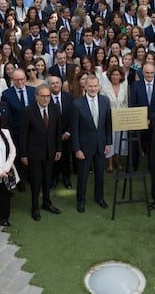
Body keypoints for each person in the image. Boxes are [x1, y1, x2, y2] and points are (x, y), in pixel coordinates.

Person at [20, 84, 62, 221]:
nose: (45, 99)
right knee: (36, 181)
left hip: (50, 152)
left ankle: (46, 203)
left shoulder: (55, 108)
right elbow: (23, 135)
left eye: (48, 96)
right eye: (42, 96)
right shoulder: (28, 111)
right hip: (34, 153)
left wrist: (59, 149)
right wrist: (23, 154)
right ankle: (35, 207)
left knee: (47, 179)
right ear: (36, 96)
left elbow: (57, 131)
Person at [72, 75, 112, 213]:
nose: (93, 88)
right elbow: (74, 128)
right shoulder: (77, 104)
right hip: (84, 147)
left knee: (100, 174)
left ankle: (99, 198)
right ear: (85, 87)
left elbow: (108, 124)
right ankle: (80, 201)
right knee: (83, 176)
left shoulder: (105, 101)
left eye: (95, 86)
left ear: (99, 86)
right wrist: (77, 148)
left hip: (101, 145)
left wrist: (108, 142)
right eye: (90, 86)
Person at [100, 66, 128, 173]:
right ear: (109, 76)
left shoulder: (125, 88)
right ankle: (110, 163)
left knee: (119, 140)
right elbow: (103, 104)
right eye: (113, 75)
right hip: (109, 118)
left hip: (121, 118)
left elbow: (126, 103)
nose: (115, 77)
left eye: (117, 75)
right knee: (110, 140)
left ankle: (118, 162)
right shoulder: (104, 88)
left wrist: (124, 114)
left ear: (121, 76)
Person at [49, 75, 74, 190]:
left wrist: (68, 132)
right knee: (54, 158)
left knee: (65, 157)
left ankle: (66, 178)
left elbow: (73, 117)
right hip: (52, 136)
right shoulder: (46, 98)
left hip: (66, 135)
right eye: (52, 83)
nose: (55, 85)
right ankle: (54, 178)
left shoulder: (69, 97)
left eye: (57, 83)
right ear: (49, 85)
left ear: (61, 84)